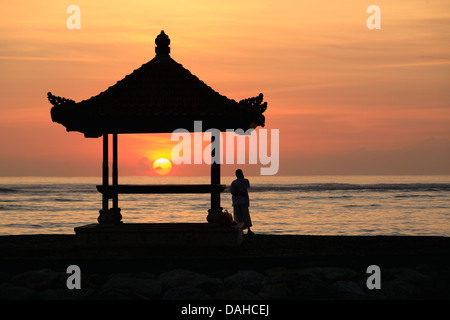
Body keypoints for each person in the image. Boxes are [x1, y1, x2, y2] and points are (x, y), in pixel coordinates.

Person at [230, 169, 254, 235]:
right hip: (244, 201)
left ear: (236, 175)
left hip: (237, 202)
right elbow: (247, 187)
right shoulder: (246, 181)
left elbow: (232, 192)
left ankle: (241, 231)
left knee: (238, 217)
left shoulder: (234, 182)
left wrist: (238, 193)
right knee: (246, 216)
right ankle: (248, 230)